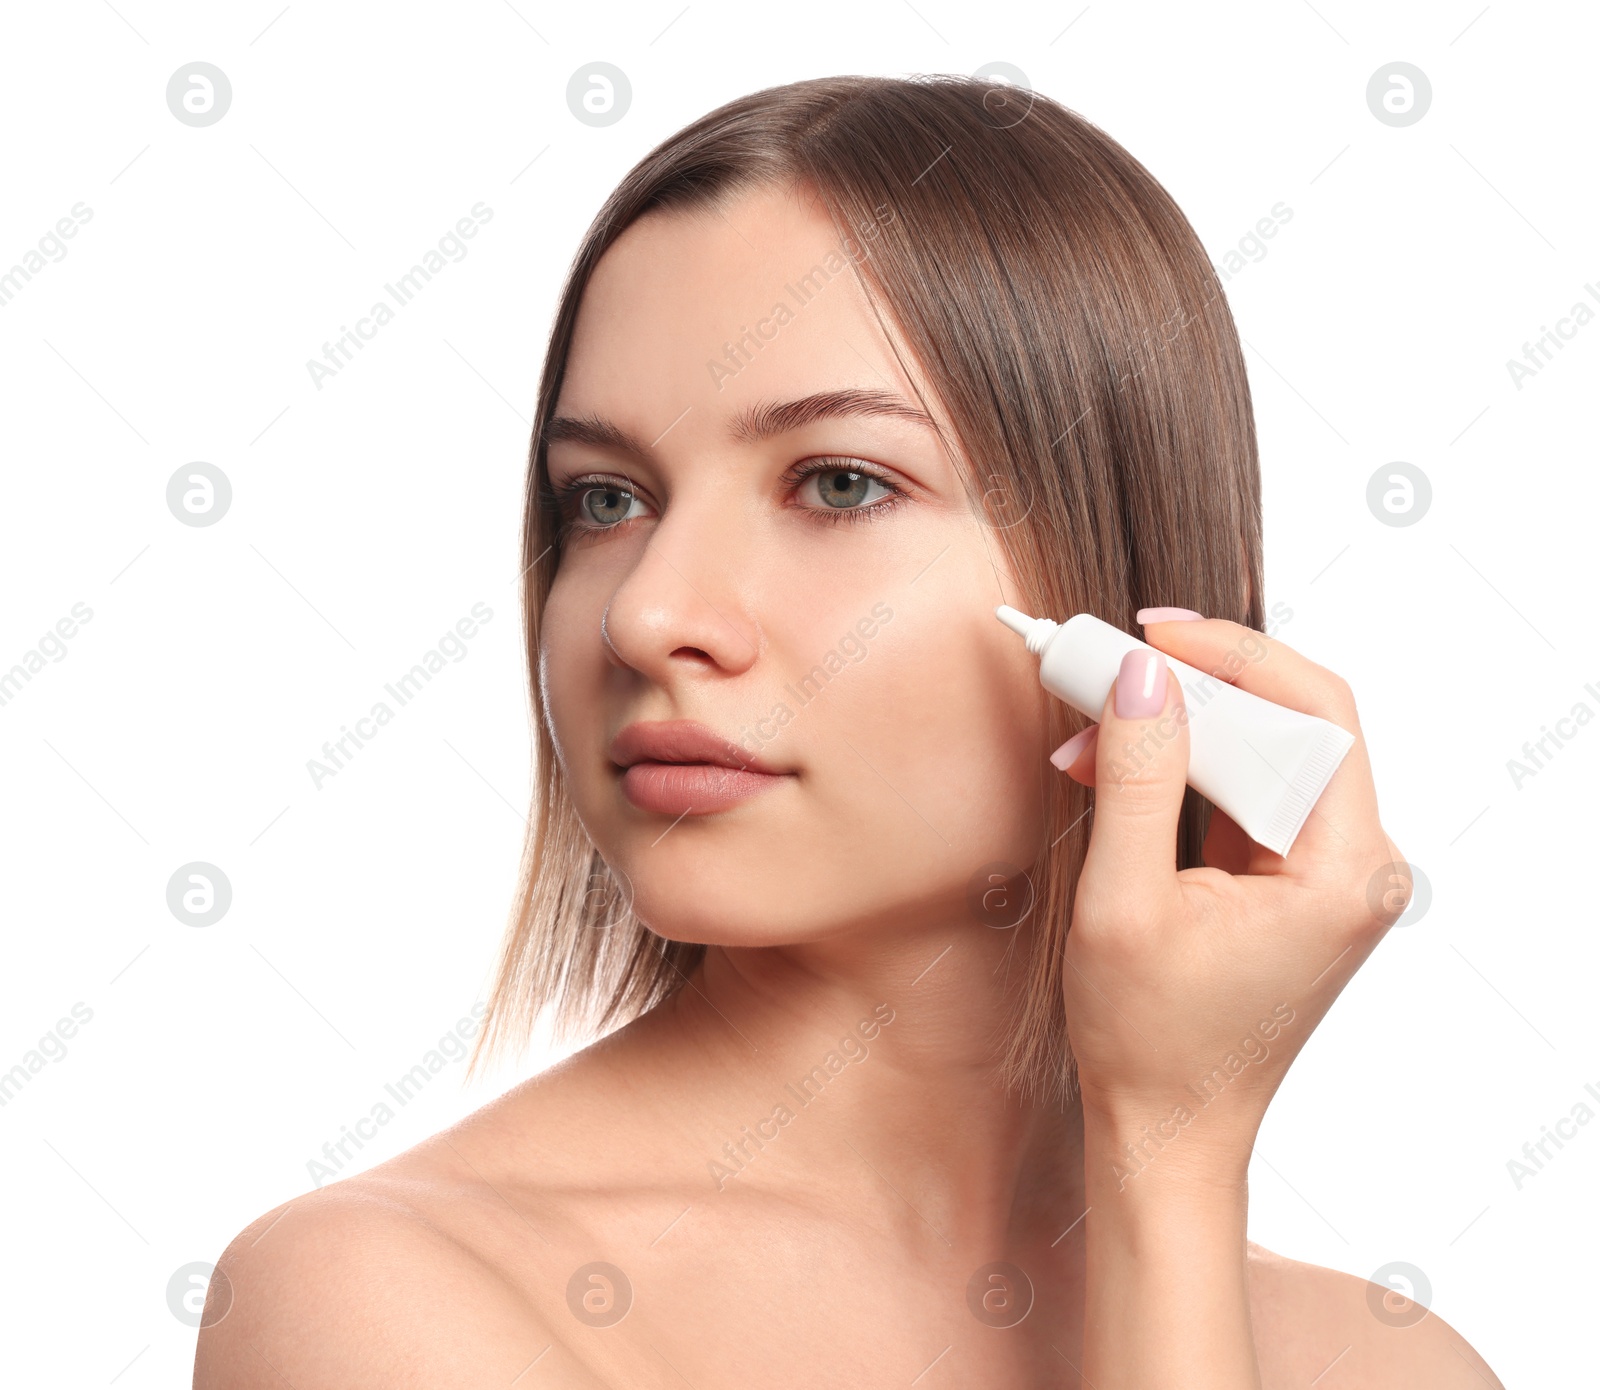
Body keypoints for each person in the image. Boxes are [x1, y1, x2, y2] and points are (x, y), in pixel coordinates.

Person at [195, 75, 1503, 1386]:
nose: (647, 614)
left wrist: (1173, 1165)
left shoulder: (1390, 1364)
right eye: (605, 498)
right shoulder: (375, 1305)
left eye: (837, 482)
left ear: (1147, 599)